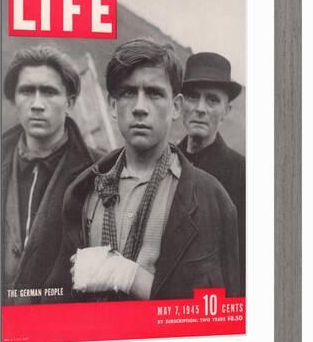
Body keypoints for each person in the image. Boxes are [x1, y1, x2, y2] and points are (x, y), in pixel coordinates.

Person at [45, 39, 240, 302]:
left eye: (154, 93)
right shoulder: (82, 191)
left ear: (175, 107)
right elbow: (55, 304)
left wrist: (127, 275)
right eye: (127, 92)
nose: (139, 107)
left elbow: (219, 311)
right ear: (112, 106)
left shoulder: (211, 199)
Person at [1, 45, 100, 304]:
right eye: (26, 91)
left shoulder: (100, 171)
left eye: (48, 92)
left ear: (69, 102)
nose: (36, 104)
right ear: (14, 99)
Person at [178, 52, 245, 294]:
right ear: (179, 103)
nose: (200, 109)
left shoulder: (244, 175)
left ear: (226, 110)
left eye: (212, 100)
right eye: (193, 97)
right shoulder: (164, 164)